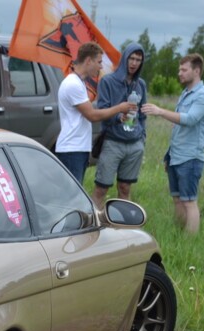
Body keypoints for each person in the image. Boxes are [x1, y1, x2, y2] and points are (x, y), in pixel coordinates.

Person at [143, 53, 204, 234]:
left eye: (184, 69)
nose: (179, 73)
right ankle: (179, 234)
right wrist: (169, 154)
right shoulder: (185, 93)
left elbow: (190, 120)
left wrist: (160, 111)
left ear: (196, 71)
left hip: (190, 157)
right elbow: (178, 129)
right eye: (179, 69)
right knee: (177, 199)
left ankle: (189, 243)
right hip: (176, 156)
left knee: (189, 201)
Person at [55, 42, 136, 184]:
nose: (100, 66)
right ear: (88, 61)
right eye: (99, 62)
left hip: (76, 148)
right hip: (72, 149)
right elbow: (92, 115)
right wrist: (119, 108)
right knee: (72, 196)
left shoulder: (78, 82)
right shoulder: (73, 84)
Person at [92, 44, 147, 208]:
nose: (134, 63)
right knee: (101, 189)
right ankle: (93, 224)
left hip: (134, 144)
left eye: (138, 59)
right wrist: (118, 117)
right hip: (113, 142)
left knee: (125, 188)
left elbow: (142, 115)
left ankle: (123, 229)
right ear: (125, 58)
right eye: (132, 58)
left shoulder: (141, 84)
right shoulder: (108, 81)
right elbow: (102, 111)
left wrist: (142, 138)